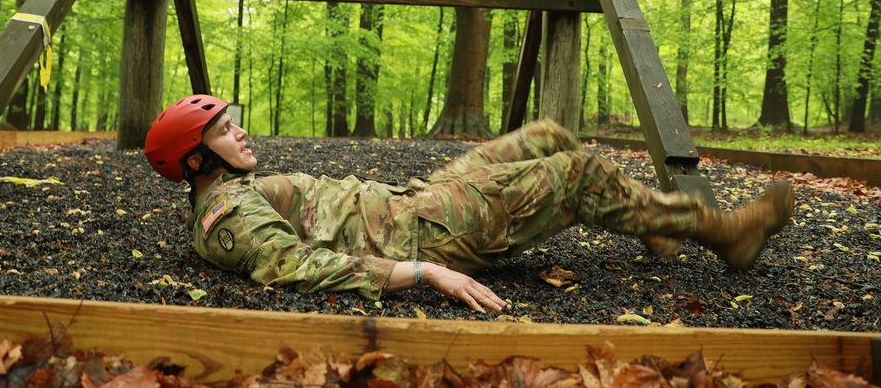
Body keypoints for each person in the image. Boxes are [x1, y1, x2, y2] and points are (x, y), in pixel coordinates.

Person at [144, 94, 795, 313]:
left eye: (236, 121)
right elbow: (298, 266)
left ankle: (645, 222)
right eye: (226, 131)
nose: (242, 132)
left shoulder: (233, 191)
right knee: (575, 173)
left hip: (413, 202)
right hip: (425, 234)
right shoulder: (227, 218)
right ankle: (725, 232)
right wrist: (429, 273)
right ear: (197, 160)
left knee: (545, 135)